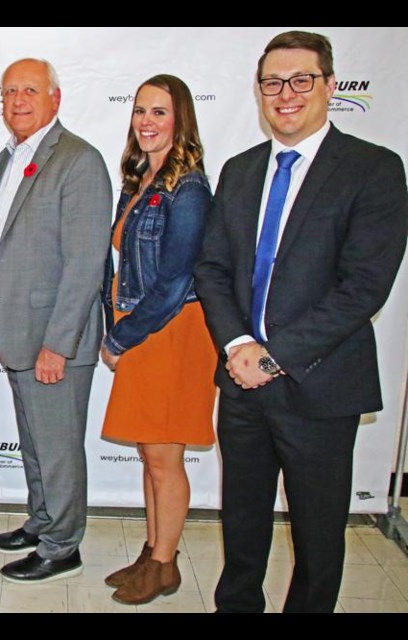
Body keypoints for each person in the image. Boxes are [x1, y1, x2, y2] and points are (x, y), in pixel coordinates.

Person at [194, 31, 408, 613]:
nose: (284, 94)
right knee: (241, 524)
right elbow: (211, 268)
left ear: (329, 86)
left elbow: (363, 288)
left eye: (300, 80)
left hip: (320, 386)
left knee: (317, 539)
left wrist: (273, 355)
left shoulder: (373, 169)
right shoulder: (240, 171)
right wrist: (239, 344)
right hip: (240, 384)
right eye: (271, 82)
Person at [0, 59, 112, 583]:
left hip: (56, 340)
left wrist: (58, 344)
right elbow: (2, 249)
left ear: (54, 99)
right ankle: (41, 523)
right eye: (9, 91)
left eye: (29, 90)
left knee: (57, 447)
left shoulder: (79, 160)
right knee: (35, 441)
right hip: (16, 334)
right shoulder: (6, 158)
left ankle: (62, 546)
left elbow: (86, 263)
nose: (17, 100)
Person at [98, 74, 216, 604]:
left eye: (159, 112)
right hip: (146, 325)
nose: (147, 122)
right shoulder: (139, 177)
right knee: (150, 454)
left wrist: (123, 336)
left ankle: (165, 565)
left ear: (180, 119)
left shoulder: (187, 186)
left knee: (166, 460)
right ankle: (153, 551)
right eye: (141, 111)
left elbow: (175, 282)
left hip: (171, 330)